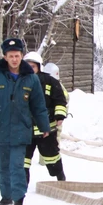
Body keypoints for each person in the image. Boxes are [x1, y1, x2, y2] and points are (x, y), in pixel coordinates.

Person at [0, 38, 50, 205]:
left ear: (22, 56)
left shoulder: (31, 78)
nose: (14, 59)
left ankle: (18, 203)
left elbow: (38, 104)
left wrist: (44, 125)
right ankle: (6, 197)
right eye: (11, 56)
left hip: (21, 129)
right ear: (5, 57)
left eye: (17, 56)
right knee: (3, 165)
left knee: (17, 166)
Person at [21, 52, 68, 184]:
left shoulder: (50, 82)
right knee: (22, 160)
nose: (30, 70)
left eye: (33, 67)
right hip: (25, 130)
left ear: (39, 67)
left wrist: (59, 116)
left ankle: (61, 178)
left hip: (46, 129)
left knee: (52, 157)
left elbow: (60, 100)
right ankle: (22, 186)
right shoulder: (17, 82)